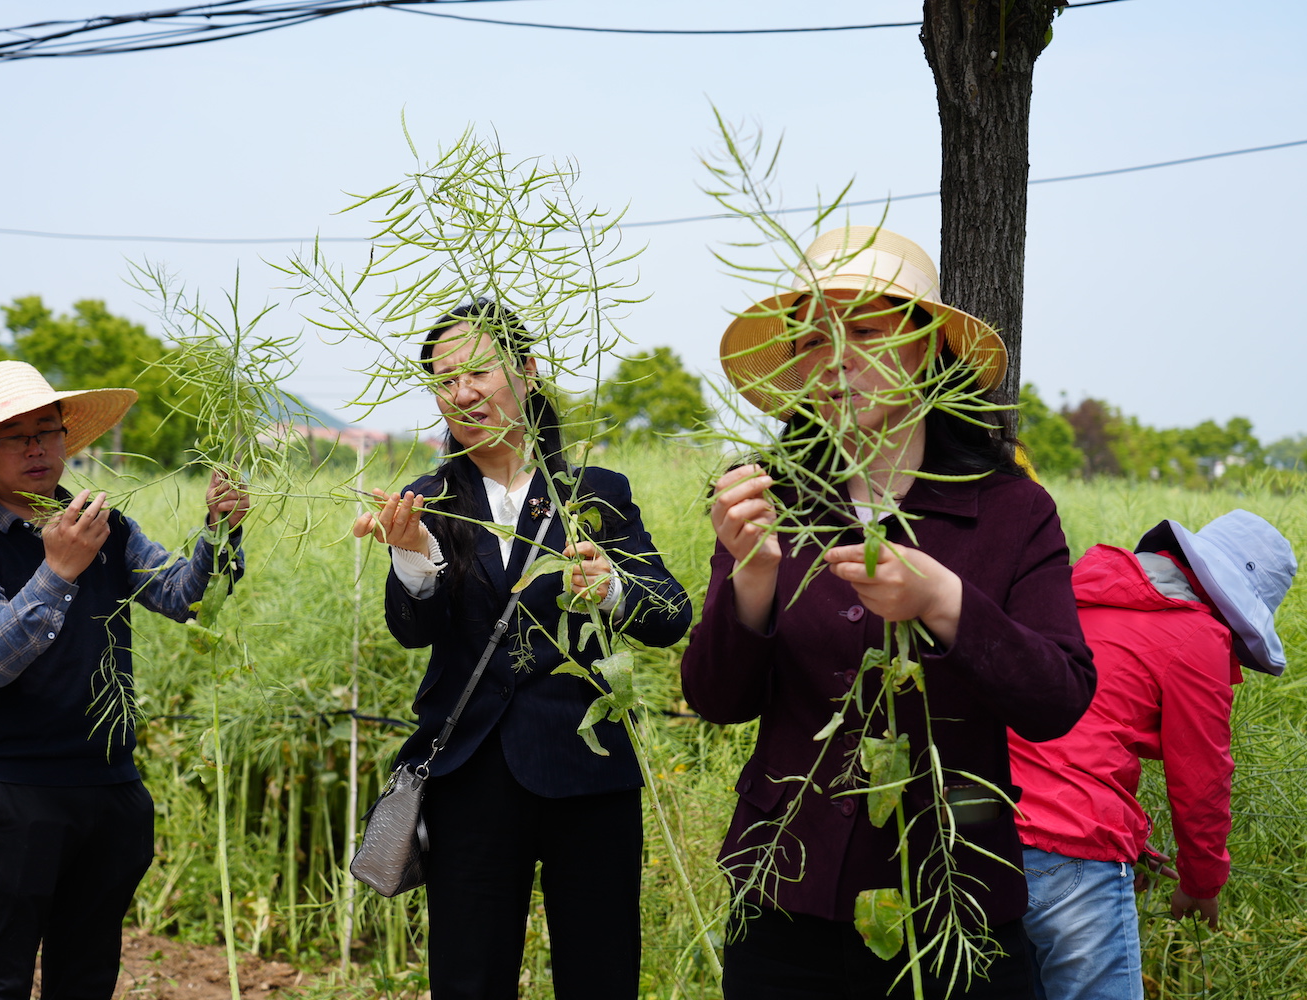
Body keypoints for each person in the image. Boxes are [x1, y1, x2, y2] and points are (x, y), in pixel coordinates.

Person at [680, 226, 1097, 999]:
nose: (834, 360)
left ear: (925, 347)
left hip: (955, 902)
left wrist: (944, 602)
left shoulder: (1013, 511)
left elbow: (1058, 699)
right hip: (786, 893)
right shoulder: (770, 502)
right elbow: (716, 700)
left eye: (865, 331)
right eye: (812, 340)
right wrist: (752, 581)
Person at [351, 299, 691, 1000]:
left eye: (478, 369)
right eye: (444, 380)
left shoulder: (592, 492)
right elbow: (413, 630)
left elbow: (670, 612)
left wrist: (612, 591)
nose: (462, 392)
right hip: (470, 775)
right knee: (468, 974)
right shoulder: (427, 500)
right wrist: (413, 558)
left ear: (528, 373)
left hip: (589, 773)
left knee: (600, 972)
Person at [0, 360, 249, 999]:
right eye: (14, 435)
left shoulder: (106, 525)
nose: (36, 447)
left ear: (68, 439)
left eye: (47, 429)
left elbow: (187, 600)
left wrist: (221, 532)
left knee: (87, 976)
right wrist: (58, 571)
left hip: (109, 788)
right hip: (14, 794)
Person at [1009, 510, 1297, 1000]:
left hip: (985, 833)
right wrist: (1202, 880)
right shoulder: (1198, 636)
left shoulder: (1072, 589)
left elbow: (1074, 734)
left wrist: (1132, 843)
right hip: (1076, 852)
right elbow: (1203, 778)